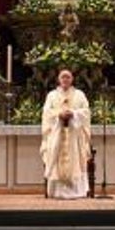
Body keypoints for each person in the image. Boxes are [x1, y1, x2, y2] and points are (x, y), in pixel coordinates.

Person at [40, 69, 91, 199]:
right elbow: (46, 112)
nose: (65, 80)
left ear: (72, 79)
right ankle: (56, 191)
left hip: (74, 135)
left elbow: (86, 112)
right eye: (63, 77)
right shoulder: (51, 95)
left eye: (68, 77)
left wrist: (73, 114)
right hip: (57, 134)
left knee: (76, 160)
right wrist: (59, 115)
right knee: (55, 159)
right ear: (58, 79)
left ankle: (77, 191)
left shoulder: (80, 94)